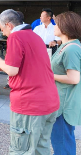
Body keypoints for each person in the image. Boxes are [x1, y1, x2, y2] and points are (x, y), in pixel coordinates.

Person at [0, 9, 60, 154]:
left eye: (3, 29)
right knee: (41, 148)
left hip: (30, 104)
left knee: (21, 150)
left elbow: (13, 70)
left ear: (9, 25)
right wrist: (1, 67)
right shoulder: (35, 36)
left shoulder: (15, 37)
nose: (4, 33)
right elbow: (28, 66)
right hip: (49, 101)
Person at [50, 11, 81, 155]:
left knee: (62, 143)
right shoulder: (66, 46)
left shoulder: (72, 48)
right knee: (61, 141)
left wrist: (49, 75)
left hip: (64, 104)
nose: (54, 27)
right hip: (59, 100)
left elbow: (74, 78)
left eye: (56, 24)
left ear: (65, 27)